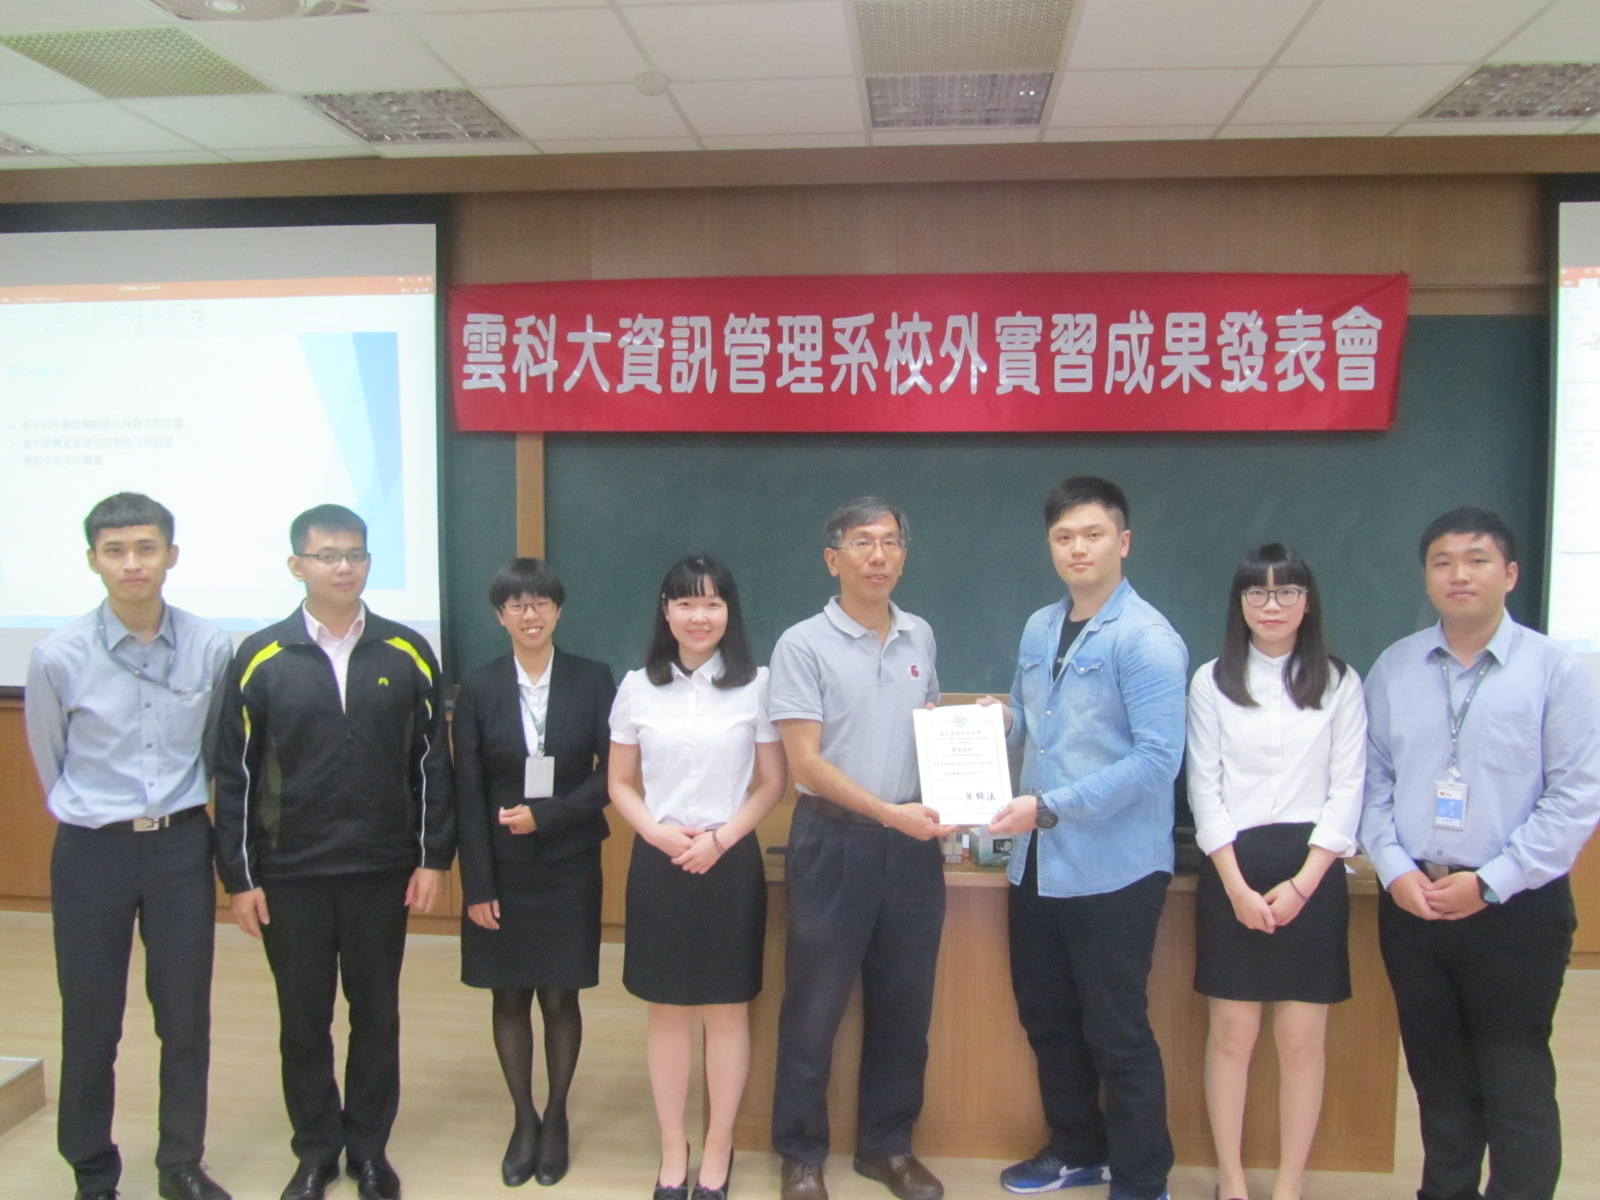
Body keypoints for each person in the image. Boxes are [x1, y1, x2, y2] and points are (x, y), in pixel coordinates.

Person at [211, 503, 453, 1200]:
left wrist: (433, 858)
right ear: (298, 566)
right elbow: (234, 774)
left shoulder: (407, 650)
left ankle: (369, 1149)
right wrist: (239, 877)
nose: (343, 567)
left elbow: (433, 764)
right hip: (291, 873)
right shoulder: (261, 657)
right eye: (326, 556)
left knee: (376, 1014)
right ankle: (316, 1149)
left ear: (369, 562)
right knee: (303, 1020)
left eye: (355, 555)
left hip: (382, 868)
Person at [1360, 506, 1600, 1200]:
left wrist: (1491, 882)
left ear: (1511, 574)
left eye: (1477, 560)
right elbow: (1371, 783)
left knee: (1513, 1077)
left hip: (1515, 908)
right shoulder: (1396, 666)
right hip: (1414, 904)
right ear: (1427, 577)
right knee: (1437, 1077)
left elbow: (1576, 797)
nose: (1458, 574)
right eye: (1443, 562)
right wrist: (1396, 870)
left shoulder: (1557, 671)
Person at [24, 493, 235, 1200]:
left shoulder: (211, 646)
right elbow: (52, 759)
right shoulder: (57, 656)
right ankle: (92, 1170)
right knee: (91, 1020)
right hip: (93, 852)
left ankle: (181, 1162)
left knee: (185, 1017)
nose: (132, 563)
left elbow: (217, 751)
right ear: (93, 561)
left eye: (146, 548)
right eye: (114, 551)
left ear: (171, 555)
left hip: (180, 848)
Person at [988, 475, 1186, 1200]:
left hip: (1116, 868)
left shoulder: (1148, 640)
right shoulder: (1040, 627)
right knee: (1047, 1017)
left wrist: (1050, 807)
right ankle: (1078, 1150)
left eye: (1093, 535)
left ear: (1122, 542)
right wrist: (1001, 721)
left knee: (1116, 1030)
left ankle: (1142, 1179)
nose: (1078, 548)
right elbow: (1034, 721)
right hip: (1038, 863)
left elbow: (1158, 760)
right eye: (1064, 537)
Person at [768, 497, 949, 1200]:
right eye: (863, 541)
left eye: (892, 541)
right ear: (832, 558)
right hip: (833, 842)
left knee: (906, 1007)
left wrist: (973, 747)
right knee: (814, 1007)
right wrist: (887, 814)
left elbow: (929, 732)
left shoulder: (920, 635)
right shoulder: (801, 645)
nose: (879, 555)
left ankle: (887, 1147)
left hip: (912, 851)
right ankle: (801, 1154)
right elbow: (805, 763)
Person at [1185, 544, 1365, 1200]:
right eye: (1257, 592)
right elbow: (1204, 789)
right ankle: (1231, 1182)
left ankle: (1289, 1185)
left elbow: (1348, 788)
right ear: (1239, 604)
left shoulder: (1340, 681)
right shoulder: (1211, 681)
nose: (1271, 604)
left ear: (1307, 602)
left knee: (1300, 1040)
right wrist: (1236, 887)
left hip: (1311, 871)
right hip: (1231, 869)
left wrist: (1303, 885)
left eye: (1286, 591)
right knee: (1232, 1035)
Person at [608, 554, 787, 1200]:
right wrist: (656, 833)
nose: (699, 615)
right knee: (666, 1011)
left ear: (729, 612)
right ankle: (672, 1148)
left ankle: (717, 1146)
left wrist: (721, 839)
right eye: (685, 603)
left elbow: (772, 783)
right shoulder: (637, 687)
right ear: (666, 612)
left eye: (712, 602)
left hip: (728, 859)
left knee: (726, 1011)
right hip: (659, 860)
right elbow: (619, 783)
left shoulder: (757, 685)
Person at [454, 558, 616, 1189]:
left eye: (541, 603)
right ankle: (524, 1118)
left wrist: (548, 816)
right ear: (500, 616)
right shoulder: (478, 686)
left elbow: (614, 774)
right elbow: (468, 791)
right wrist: (478, 886)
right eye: (516, 605)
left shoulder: (593, 679)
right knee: (509, 993)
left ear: (558, 611)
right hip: (501, 867)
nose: (530, 615)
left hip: (569, 860)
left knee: (560, 994)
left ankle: (557, 1116)